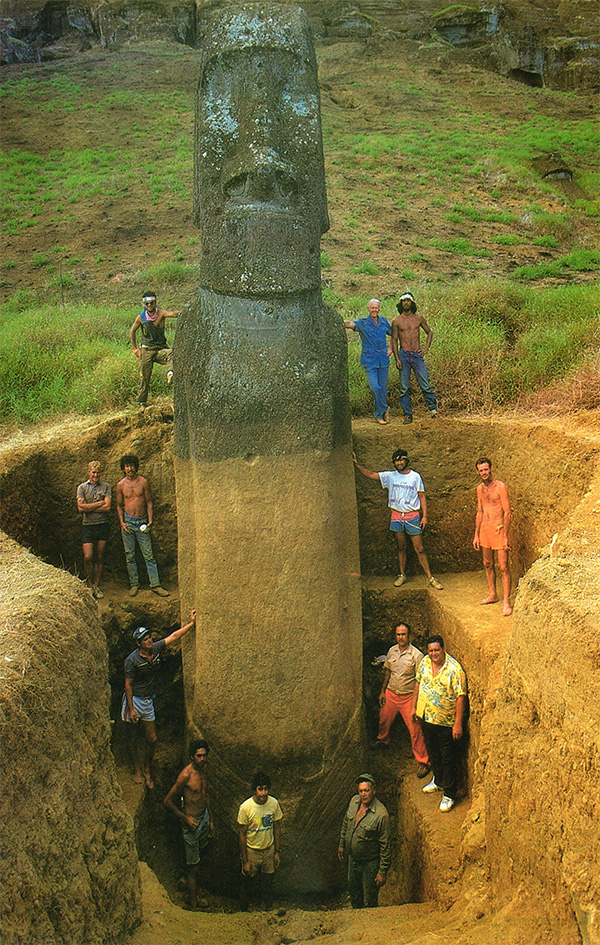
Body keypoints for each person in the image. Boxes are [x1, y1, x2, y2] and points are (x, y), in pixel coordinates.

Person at [121, 610, 196, 789]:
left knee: (152, 738)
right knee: (132, 735)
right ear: (139, 643)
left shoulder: (155, 650)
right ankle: (137, 769)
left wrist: (192, 624)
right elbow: (128, 685)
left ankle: (147, 768)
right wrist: (131, 709)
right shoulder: (131, 661)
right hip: (135, 700)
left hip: (148, 701)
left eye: (149, 637)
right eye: (145, 639)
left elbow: (173, 636)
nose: (149, 641)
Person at [353, 449, 443, 590]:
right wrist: (357, 466)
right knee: (401, 547)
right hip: (396, 516)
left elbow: (422, 496)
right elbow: (372, 474)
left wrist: (424, 515)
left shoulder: (415, 477)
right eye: (396, 460)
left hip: (412, 516)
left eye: (401, 460)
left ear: (406, 461)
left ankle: (430, 577)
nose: (399, 463)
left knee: (419, 548)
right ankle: (402, 574)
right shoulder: (390, 476)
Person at [413, 634, 467, 813]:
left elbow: (461, 698)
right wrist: (414, 707)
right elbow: (418, 683)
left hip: (445, 722)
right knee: (433, 753)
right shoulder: (425, 662)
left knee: (447, 757)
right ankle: (437, 780)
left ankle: (449, 794)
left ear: (443, 649)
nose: (433, 653)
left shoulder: (454, 669)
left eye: (436, 650)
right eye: (431, 650)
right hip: (426, 717)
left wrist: (457, 724)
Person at [375, 622, 431, 778]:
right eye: (398, 634)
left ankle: (423, 761)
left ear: (409, 636)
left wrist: (415, 704)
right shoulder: (391, 651)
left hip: (408, 697)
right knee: (383, 719)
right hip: (391, 694)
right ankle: (382, 741)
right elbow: (387, 672)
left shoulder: (417, 655)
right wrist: (382, 692)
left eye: (403, 634)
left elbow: (420, 681)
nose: (401, 637)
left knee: (415, 730)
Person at [164, 739, 214, 910]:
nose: (202, 759)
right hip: (191, 823)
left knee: (201, 857)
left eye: (204, 755)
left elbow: (205, 795)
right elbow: (168, 801)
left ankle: (195, 892)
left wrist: (211, 820)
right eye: (199, 756)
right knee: (193, 865)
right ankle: (193, 905)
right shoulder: (186, 775)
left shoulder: (204, 770)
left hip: (204, 818)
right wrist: (185, 818)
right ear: (192, 756)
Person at [116, 453, 169, 598]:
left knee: (149, 555)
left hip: (142, 522)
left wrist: (150, 520)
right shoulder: (120, 485)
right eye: (127, 466)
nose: (130, 468)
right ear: (124, 468)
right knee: (130, 555)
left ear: (136, 466)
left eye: (132, 465)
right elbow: (119, 506)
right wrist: (122, 522)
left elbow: (149, 502)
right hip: (128, 523)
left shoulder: (143, 482)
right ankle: (134, 584)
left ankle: (155, 585)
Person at [337, 773, 391, 909]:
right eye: (361, 791)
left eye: (366, 790)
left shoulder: (381, 815)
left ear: (373, 791)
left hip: (370, 864)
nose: (363, 794)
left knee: (370, 899)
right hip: (353, 860)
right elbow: (346, 823)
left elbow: (385, 846)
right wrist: (342, 844)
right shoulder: (353, 802)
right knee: (354, 893)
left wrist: (382, 872)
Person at [237, 771, 283, 911]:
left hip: (268, 850)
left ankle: (268, 910)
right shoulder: (246, 807)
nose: (263, 793)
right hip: (252, 851)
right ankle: (243, 912)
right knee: (248, 882)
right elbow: (242, 834)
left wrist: (276, 851)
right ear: (254, 790)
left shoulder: (273, 803)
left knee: (268, 883)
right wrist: (245, 861)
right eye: (260, 789)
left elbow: (277, 828)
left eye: (266, 789)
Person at [473, 457, 513, 616]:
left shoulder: (500, 486)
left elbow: (507, 512)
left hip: (498, 529)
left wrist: (505, 535)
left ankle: (506, 602)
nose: (484, 472)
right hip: (485, 530)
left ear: (490, 469)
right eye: (481, 470)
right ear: (478, 472)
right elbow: (480, 511)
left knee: (503, 566)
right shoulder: (479, 489)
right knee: (487, 563)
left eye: (486, 469)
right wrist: (476, 534)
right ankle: (492, 594)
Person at [391, 291, 438, 424]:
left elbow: (429, 332)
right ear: (401, 303)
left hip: (417, 355)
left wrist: (426, 349)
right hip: (404, 355)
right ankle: (407, 414)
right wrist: (397, 359)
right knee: (404, 387)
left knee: (425, 384)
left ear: (412, 303)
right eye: (404, 301)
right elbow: (394, 340)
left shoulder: (419, 318)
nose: (406, 303)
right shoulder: (396, 321)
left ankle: (433, 410)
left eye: (408, 301)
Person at [129, 291, 180, 411]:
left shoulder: (161, 314)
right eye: (147, 303)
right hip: (146, 349)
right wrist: (134, 348)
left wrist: (185, 312)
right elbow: (132, 331)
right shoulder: (141, 317)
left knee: (171, 354)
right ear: (144, 304)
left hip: (160, 348)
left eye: (151, 303)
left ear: (155, 302)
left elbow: (173, 314)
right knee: (144, 376)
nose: (150, 305)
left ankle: (170, 373)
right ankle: (142, 403)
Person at [344, 299, 392, 424]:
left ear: (379, 309)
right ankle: (384, 408)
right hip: (369, 359)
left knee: (383, 388)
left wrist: (391, 347)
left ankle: (379, 415)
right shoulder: (363, 323)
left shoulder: (383, 322)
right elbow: (350, 324)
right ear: (368, 309)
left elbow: (394, 334)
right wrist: (334, 320)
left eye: (376, 307)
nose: (374, 310)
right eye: (372, 308)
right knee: (375, 387)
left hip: (383, 359)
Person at [76, 460, 111, 600]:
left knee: (100, 556)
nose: (96, 475)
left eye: (98, 472)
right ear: (88, 472)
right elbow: (80, 509)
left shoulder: (106, 487)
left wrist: (89, 507)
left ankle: (96, 585)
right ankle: (89, 585)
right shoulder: (82, 488)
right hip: (88, 526)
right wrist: (100, 503)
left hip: (102, 525)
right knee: (88, 557)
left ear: (101, 473)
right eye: (93, 472)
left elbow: (108, 508)